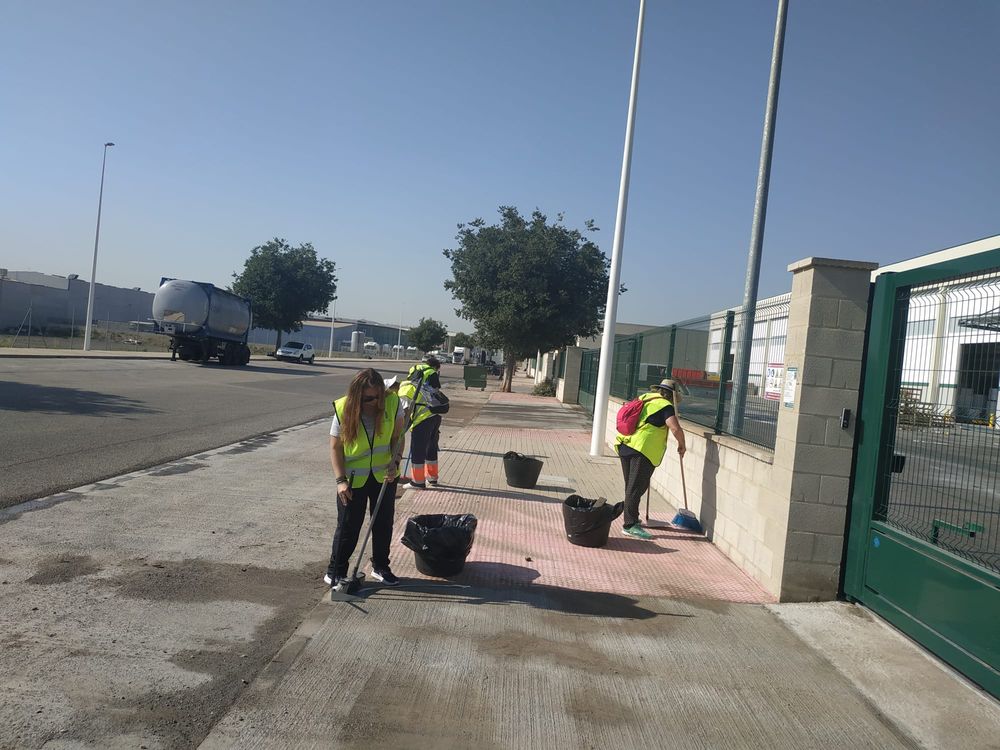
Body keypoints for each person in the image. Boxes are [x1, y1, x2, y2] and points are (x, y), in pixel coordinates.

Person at [325, 368, 406, 587]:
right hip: (353, 479)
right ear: (357, 395)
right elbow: (335, 448)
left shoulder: (392, 403)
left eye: (378, 396)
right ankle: (336, 571)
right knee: (349, 525)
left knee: (383, 524)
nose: (373, 402)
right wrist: (340, 481)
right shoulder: (342, 408)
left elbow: (398, 437)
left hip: (385, 477)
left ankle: (381, 567)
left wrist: (396, 461)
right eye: (368, 398)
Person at [614, 378, 687, 540]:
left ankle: (631, 516)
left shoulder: (644, 398)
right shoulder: (665, 406)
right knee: (636, 487)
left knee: (631, 486)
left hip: (624, 444)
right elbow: (675, 427)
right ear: (672, 396)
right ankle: (630, 525)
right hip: (642, 449)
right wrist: (682, 444)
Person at [399, 356, 448, 488]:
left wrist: (402, 428)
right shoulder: (427, 388)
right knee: (431, 448)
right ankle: (432, 478)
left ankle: (417, 481)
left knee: (417, 450)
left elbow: (404, 411)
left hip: (422, 421)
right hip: (435, 416)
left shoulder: (406, 388)